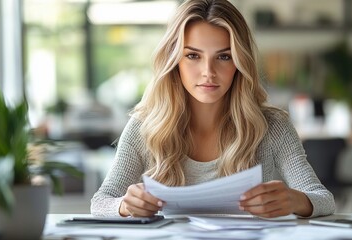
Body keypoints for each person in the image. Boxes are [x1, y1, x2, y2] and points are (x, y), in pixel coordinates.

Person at [91, 0, 335, 218]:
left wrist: (295, 200)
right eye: (193, 56)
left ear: (240, 63)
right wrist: (124, 206)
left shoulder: (272, 126)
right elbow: (101, 202)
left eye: (224, 57)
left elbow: (323, 199)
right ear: (174, 61)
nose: (208, 71)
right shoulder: (144, 127)